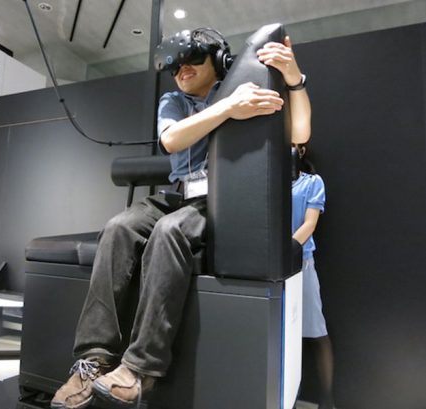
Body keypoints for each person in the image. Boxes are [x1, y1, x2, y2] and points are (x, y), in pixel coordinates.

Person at [50, 28, 312, 409]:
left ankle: (139, 369)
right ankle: (94, 360)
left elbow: (300, 132)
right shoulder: (175, 101)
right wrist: (228, 108)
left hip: (219, 200)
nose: (181, 70)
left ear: (218, 61)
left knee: (170, 231)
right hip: (179, 193)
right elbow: (171, 140)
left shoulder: (243, 88)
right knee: (119, 227)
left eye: (192, 61)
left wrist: (294, 78)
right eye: (174, 66)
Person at [292, 144, 335, 409]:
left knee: (316, 332)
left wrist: (287, 249)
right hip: (271, 270)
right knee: (283, 336)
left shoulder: (312, 183)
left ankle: (328, 400)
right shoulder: (268, 181)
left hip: (301, 264)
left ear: (301, 150)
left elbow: (310, 223)